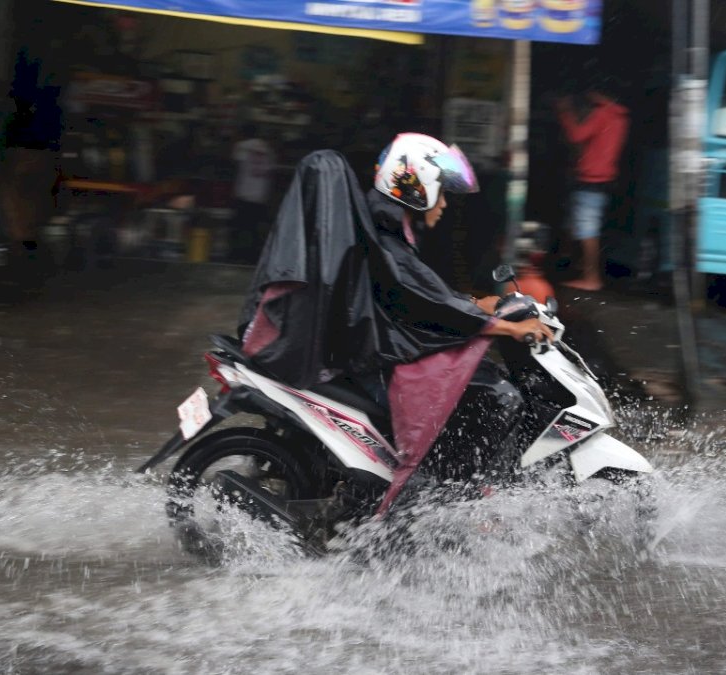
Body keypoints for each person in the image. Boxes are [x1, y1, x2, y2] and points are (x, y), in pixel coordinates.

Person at [239, 133, 552, 512]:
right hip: (373, 359)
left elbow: (418, 295)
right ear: (420, 187)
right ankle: (441, 501)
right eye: (442, 192)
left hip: (370, 349)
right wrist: (505, 326)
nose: (445, 203)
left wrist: (475, 304)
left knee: (480, 383)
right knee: (493, 395)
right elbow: (419, 301)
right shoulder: (384, 230)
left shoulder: (387, 223)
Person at [555, 82, 630, 291]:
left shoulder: (602, 113)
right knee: (581, 226)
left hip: (591, 178)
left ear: (597, 93)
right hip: (603, 178)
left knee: (587, 230)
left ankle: (591, 278)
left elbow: (576, 135)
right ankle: (580, 268)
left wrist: (565, 112)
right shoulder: (620, 116)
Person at [230, 123, 276, 262]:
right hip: (260, 196)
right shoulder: (268, 149)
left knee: (239, 230)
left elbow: (233, 164)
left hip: (244, 194)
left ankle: (236, 258)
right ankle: (251, 259)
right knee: (254, 231)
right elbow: (271, 173)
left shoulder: (242, 146)